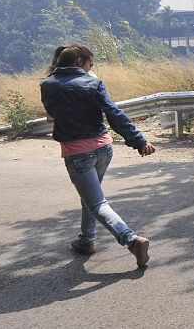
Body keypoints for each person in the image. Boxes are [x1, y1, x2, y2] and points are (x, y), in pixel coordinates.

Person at [40, 44, 155, 267]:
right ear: (78, 63)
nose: (91, 69)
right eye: (90, 65)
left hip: (78, 153)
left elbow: (52, 114)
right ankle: (86, 240)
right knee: (92, 198)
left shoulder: (48, 85)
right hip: (103, 148)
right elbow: (114, 113)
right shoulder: (93, 82)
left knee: (96, 202)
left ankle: (132, 240)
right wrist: (138, 140)